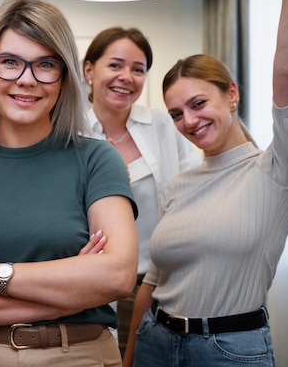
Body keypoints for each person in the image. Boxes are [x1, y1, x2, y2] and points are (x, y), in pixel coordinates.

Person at [0, 0, 139, 367]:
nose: (26, 80)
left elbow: (117, 275)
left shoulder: (98, 159)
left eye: (45, 64)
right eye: (10, 62)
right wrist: (74, 287)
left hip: (79, 356)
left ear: (64, 77)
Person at [123, 0, 288, 365]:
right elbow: (152, 283)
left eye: (198, 103)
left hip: (227, 349)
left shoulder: (280, 171)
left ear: (231, 94)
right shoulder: (179, 184)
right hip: (155, 340)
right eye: (176, 113)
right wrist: (131, 356)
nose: (188, 121)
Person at [82, 26, 202, 353]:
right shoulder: (70, 133)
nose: (127, 77)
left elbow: (195, 185)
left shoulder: (164, 125)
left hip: (162, 284)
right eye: (115, 65)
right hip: (93, 286)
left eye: (138, 69)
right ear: (89, 70)